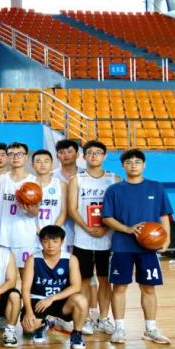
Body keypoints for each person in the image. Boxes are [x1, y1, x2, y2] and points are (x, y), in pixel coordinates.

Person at [102, 149, 172, 345]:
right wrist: (128, 229)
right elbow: (107, 217)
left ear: (144, 165)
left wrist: (166, 239)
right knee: (119, 287)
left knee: (149, 288)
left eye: (137, 162)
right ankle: (119, 328)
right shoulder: (114, 190)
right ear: (122, 166)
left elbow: (164, 215)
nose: (133, 165)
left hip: (148, 247)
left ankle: (150, 329)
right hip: (122, 246)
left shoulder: (156, 187)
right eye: (129, 162)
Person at [67, 140, 119, 336]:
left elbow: (118, 209)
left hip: (108, 238)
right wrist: (87, 227)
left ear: (105, 156)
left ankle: (104, 318)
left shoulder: (114, 179)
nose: (94, 156)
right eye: (90, 152)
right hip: (83, 238)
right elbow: (72, 209)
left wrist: (106, 227)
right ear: (84, 157)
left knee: (105, 280)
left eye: (98, 152)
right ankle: (87, 317)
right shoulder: (77, 179)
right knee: (85, 280)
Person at [20, 225, 88, 349]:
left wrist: (52, 298)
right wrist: (28, 311)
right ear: (41, 242)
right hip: (38, 301)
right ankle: (44, 324)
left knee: (81, 300)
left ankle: (77, 334)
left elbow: (76, 286)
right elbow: (25, 289)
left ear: (62, 241)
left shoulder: (70, 259)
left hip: (60, 301)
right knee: (28, 328)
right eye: (46, 241)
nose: (50, 245)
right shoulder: (33, 259)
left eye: (55, 241)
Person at [0, 142, 39, 268]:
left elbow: (36, 213)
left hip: (25, 236)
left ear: (26, 157)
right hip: (3, 236)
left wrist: (29, 208)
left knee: (25, 273)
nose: (15, 157)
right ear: (7, 157)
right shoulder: (0, 179)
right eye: (11, 154)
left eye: (19, 154)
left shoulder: (34, 181)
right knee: (3, 274)